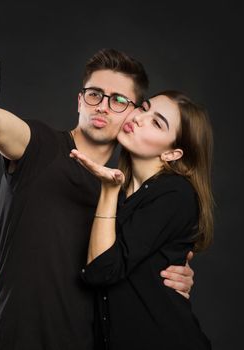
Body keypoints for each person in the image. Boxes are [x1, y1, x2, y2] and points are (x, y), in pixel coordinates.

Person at [0, 42, 196, 350]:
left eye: (119, 100)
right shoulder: (41, 146)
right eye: (94, 94)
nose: (102, 106)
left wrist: (177, 276)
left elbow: (133, 270)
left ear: (133, 114)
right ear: (79, 101)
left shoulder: (122, 197)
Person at [70, 91, 213, 349]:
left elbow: (101, 270)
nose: (139, 118)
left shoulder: (174, 193)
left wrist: (108, 190)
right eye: (144, 108)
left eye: (157, 123)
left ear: (172, 154)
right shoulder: (121, 195)